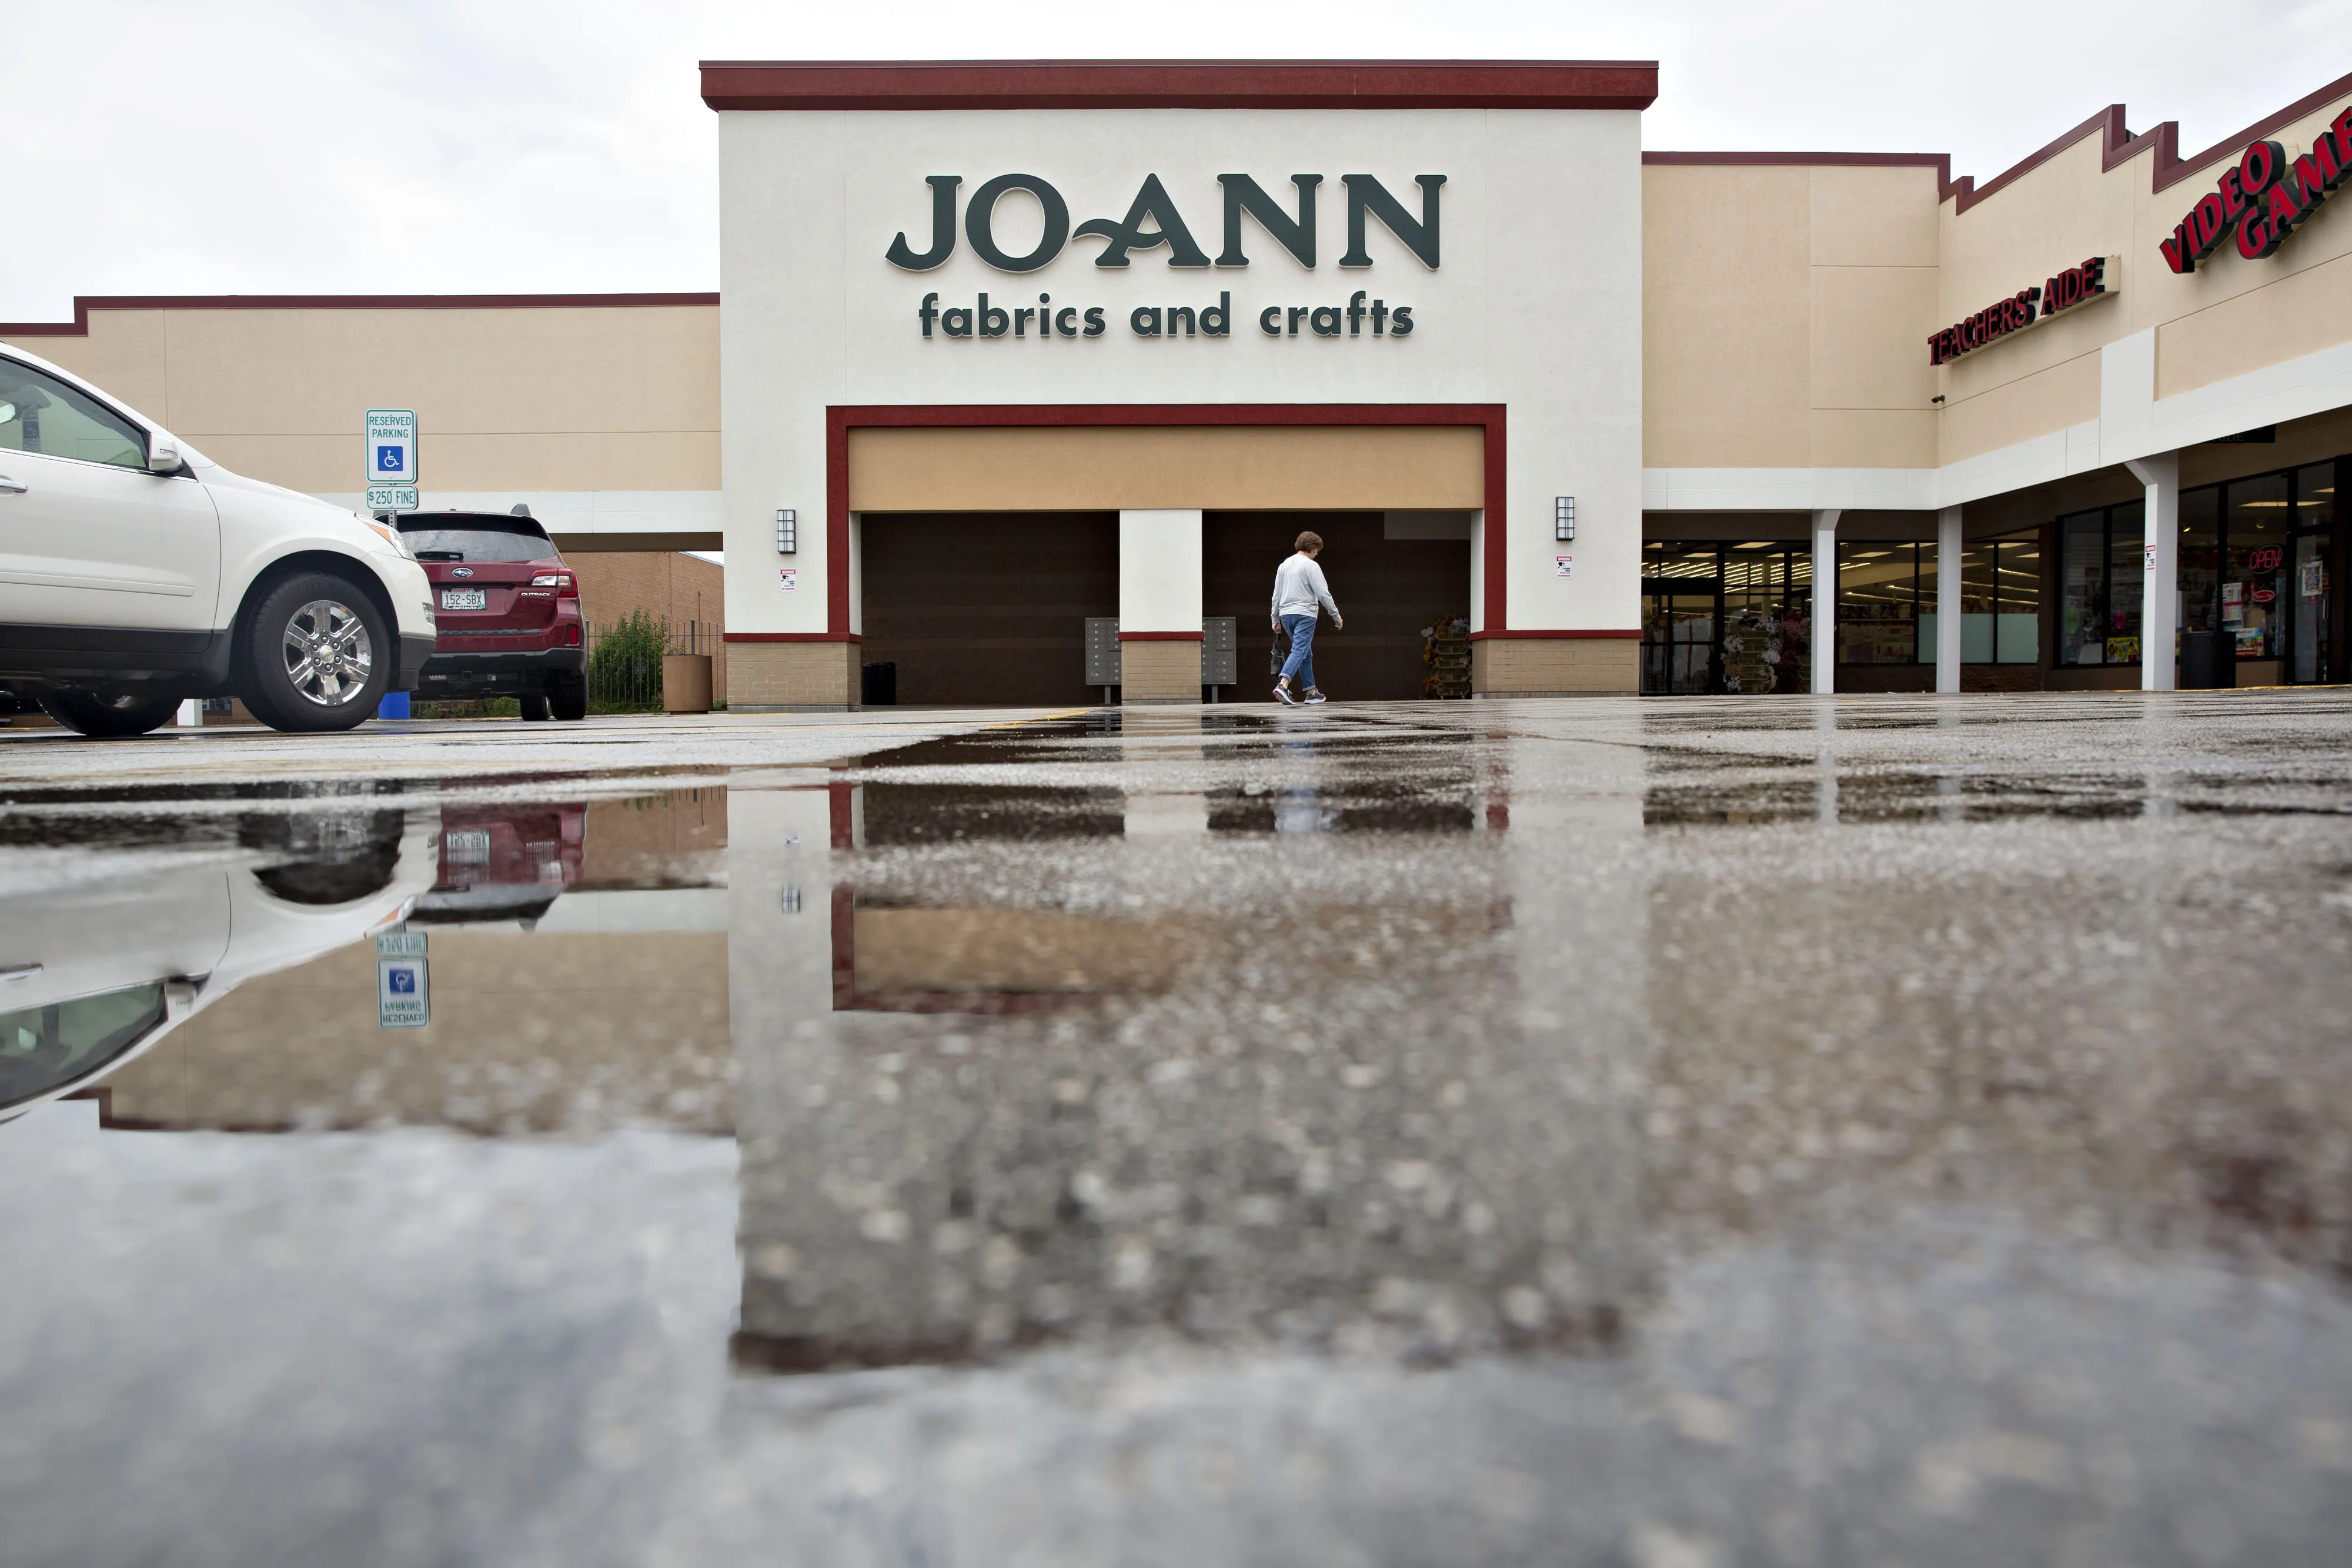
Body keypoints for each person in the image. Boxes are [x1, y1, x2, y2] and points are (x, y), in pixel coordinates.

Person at [1271, 530, 1342, 705]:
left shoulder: (1283, 565)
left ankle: (1311, 692)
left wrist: (1275, 618)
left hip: (1286, 615)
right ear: (1311, 547)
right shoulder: (1311, 566)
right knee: (1300, 650)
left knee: (1305, 652)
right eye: (1317, 550)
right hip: (1305, 614)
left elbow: (1276, 595)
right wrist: (1335, 615)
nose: (1317, 554)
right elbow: (1323, 594)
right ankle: (1283, 685)